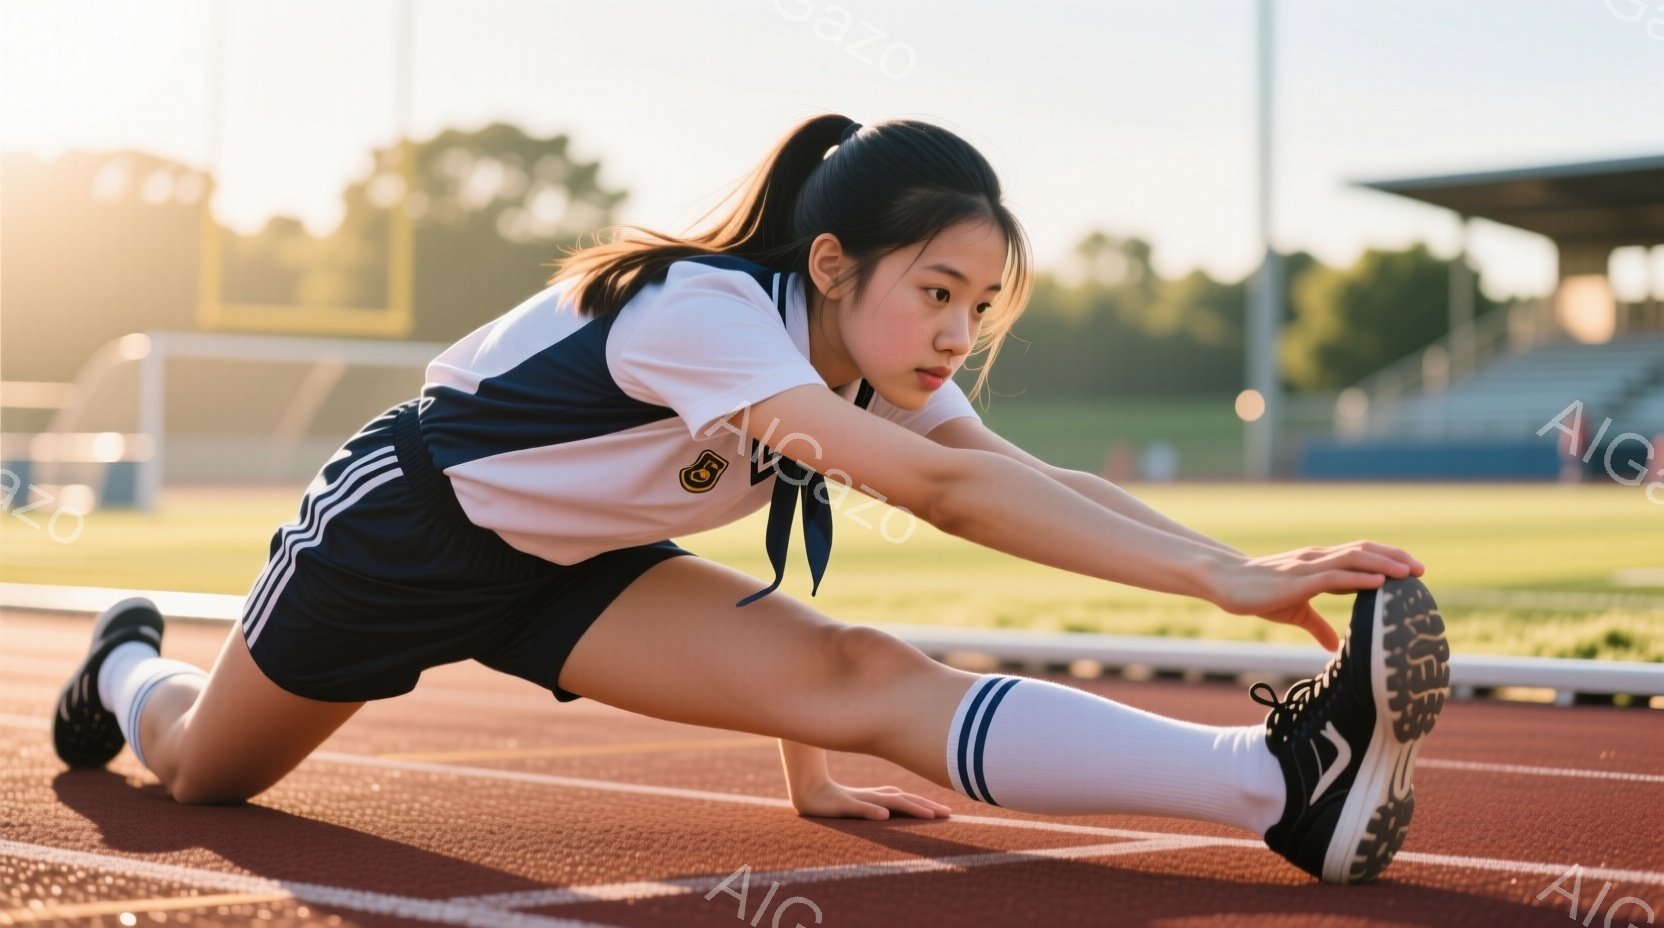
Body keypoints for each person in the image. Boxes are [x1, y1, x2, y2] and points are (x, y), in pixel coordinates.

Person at [53, 114, 1449, 885]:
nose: (958, 334)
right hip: (403, 529)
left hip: (578, 564)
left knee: (861, 673)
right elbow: (943, 497)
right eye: (938, 292)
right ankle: (123, 666)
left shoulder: (872, 358)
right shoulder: (707, 307)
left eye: (978, 304)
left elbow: (1012, 476)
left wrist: (1241, 558)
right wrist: (1220, 585)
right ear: (834, 264)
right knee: (200, 776)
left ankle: (1276, 784)